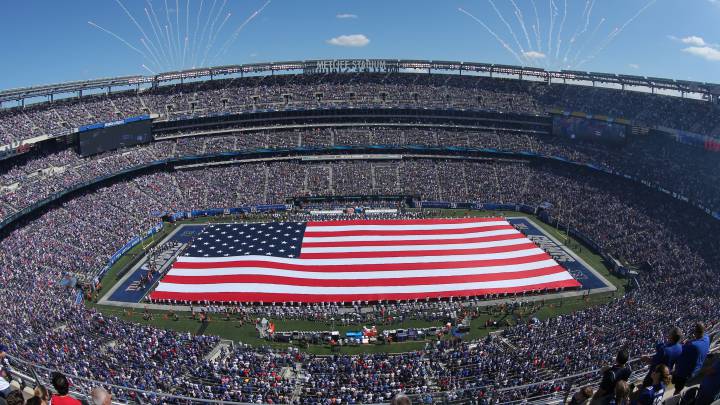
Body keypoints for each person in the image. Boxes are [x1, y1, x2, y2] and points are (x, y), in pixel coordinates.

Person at [673, 322, 710, 395]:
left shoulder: (692, 346)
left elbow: (678, 351)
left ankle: (674, 399)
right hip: (697, 369)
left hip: (685, 373)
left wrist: (685, 344)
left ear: (695, 332)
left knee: (678, 388)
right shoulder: (706, 338)